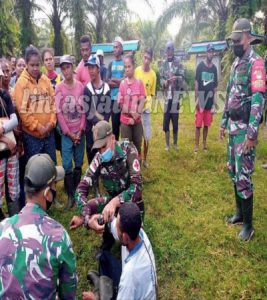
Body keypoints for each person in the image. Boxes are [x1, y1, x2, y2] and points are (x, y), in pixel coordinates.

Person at [0, 153, 77, 298]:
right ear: (48, 193)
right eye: (54, 185)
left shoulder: (2, 228)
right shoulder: (58, 237)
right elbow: (69, 293)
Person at [220, 18, 266, 241]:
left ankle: (249, 226)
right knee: (233, 171)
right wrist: (222, 121)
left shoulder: (256, 63)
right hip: (232, 128)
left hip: (245, 132)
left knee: (244, 176)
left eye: (238, 40)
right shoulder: (236, 63)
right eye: (233, 41)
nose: (235, 44)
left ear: (248, 37)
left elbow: (258, 99)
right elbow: (229, 94)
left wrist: (251, 135)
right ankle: (239, 213)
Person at [70, 121, 144, 245]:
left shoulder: (128, 150)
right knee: (90, 204)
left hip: (132, 202)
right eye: (98, 148)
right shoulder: (98, 159)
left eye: (104, 146)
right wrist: (86, 219)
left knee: (132, 238)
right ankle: (107, 239)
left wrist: (115, 202)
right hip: (111, 201)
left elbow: (137, 187)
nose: (101, 152)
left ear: (113, 138)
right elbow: (80, 190)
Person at [82, 203, 157, 300]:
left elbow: (129, 280)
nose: (115, 226)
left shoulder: (129, 277)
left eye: (117, 227)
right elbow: (112, 224)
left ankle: (99, 293)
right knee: (104, 256)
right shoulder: (138, 233)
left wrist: (92, 299)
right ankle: (101, 286)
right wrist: (99, 218)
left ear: (125, 237)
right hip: (137, 284)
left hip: (131, 286)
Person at [13, 46, 57, 163]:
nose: (35, 68)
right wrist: (38, 127)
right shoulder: (21, 83)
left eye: (37, 65)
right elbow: (24, 112)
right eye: (32, 65)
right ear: (26, 64)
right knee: (36, 171)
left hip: (49, 134)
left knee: (50, 167)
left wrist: (51, 123)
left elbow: (53, 103)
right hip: (32, 137)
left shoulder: (45, 80)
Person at [56, 55, 86, 208]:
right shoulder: (59, 88)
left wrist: (80, 131)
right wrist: (68, 133)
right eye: (63, 68)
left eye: (68, 67)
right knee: (67, 164)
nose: (66, 70)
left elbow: (83, 111)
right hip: (67, 134)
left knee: (79, 162)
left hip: (79, 133)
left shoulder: (80, 87)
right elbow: (59, 113)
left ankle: (77, 191)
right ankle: (70, 195)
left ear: (72, 67)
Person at [83, 55, 111, 163]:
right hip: (91, 129)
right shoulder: (87, 89)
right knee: (92, 152)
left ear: (99, 68)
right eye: (89, 68)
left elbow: (108, 110)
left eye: (93, 68)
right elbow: (88, 112)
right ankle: (93, 178)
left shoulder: (106, 88)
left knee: (105, 152)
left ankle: (104, 175)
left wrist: (103, 123)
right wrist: (98, 123)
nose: (90, 71)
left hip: (104, 127)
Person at [0, 66, 19, 220]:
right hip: (6, 147)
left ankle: (14, 220)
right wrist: (6, 138)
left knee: (13, 186)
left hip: (11, 151)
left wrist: (2, 128)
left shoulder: (4, 95)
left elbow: (15, 120)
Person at [118, 55, 145, 157]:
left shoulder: (139, 83)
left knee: (138, 144)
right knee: (126, 146)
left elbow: (142, 100)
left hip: (137, 121)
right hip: (125, 121)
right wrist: (131, 113)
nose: (127, 69)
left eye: (129, 66)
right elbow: (121, 104)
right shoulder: (122, 84)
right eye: (125, 67)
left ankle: (137, 167)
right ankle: (127, 169)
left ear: (134, 66)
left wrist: (136, 116)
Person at [160, 41, 185, 151]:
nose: (169, 52)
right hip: (166, 98)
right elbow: (160, 78)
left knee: (175, 120)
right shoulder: (163, 64)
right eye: (167, 50)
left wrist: (176, 79)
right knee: (166, 121)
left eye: (171, 50)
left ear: (173, 51)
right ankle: (167, 144)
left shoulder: (178, 62)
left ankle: (175, 143)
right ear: (166, 51)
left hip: (175, 97)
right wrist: (164, 83)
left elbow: (183, 77)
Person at [135, 48, 157, 167]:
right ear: (142, 57)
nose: (146, 60)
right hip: (135, 106)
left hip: (146, 108)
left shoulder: (153, 75)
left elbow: (151, 93)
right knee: (137, 135)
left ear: (151, 60)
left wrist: (145, 103)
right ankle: (136, 158)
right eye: (145, 57)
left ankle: (145, 159)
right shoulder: (137, 70)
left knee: (146, 136)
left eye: (149, 58)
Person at [194, 43, 218, 152]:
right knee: (198, 125)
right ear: (206, 52)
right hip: (201, 100)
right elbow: (196, 84)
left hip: (209, 101)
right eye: (209, 51)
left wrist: (214, 103)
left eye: (212, 51)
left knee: (206, 125)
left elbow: (215, 87)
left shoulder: (214, 69)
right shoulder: (200, 66)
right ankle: (196, 146)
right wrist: (197, 100)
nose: (210, 53)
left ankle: (204, 145)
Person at [107, 36, 125, 140]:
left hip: (124, 99)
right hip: (113, 100)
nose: (115, 49)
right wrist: (121, 81)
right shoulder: (111, 64)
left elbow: (127, 81)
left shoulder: (125, 63)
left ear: (121, 49)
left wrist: (115, 80)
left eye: (117, 47)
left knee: (124, 126)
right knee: (115, 127)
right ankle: (116, 149)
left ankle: (125, 149)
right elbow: (108, 82)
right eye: (114, 47)